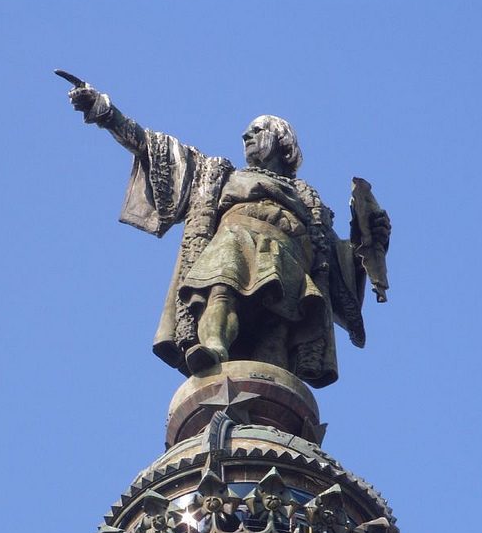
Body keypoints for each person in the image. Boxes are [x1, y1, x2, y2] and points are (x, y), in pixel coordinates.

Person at [65, 78, 387, 388]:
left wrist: (368, 237)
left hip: (289, 259)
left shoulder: (311, 205)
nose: (246, 135)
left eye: (257, 130)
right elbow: (156, 148)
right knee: (221, 289)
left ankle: (270, 386)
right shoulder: (219, 175)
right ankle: (213, 348)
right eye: (247, 131)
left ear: (282, 141)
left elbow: (340, 269)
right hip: (235, 241)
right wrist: (106, 113)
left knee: (277, 328)